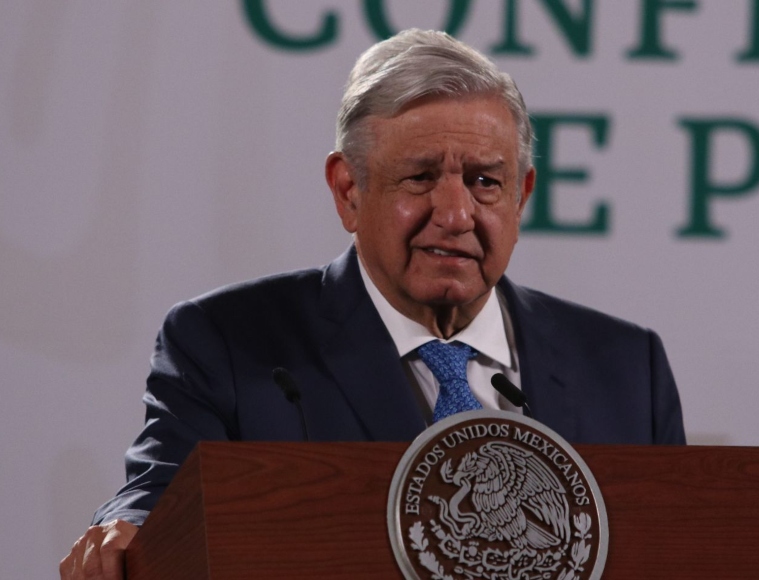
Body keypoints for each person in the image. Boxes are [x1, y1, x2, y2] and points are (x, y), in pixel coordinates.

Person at [59, 29, 685, 580]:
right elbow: (158, 499)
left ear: (520, 196)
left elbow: (683, 545)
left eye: (483, 181)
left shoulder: (628, 367)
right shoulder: (227, 342)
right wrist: (127, 531)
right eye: (420, 177)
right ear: (348, 191)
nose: (456, 214)